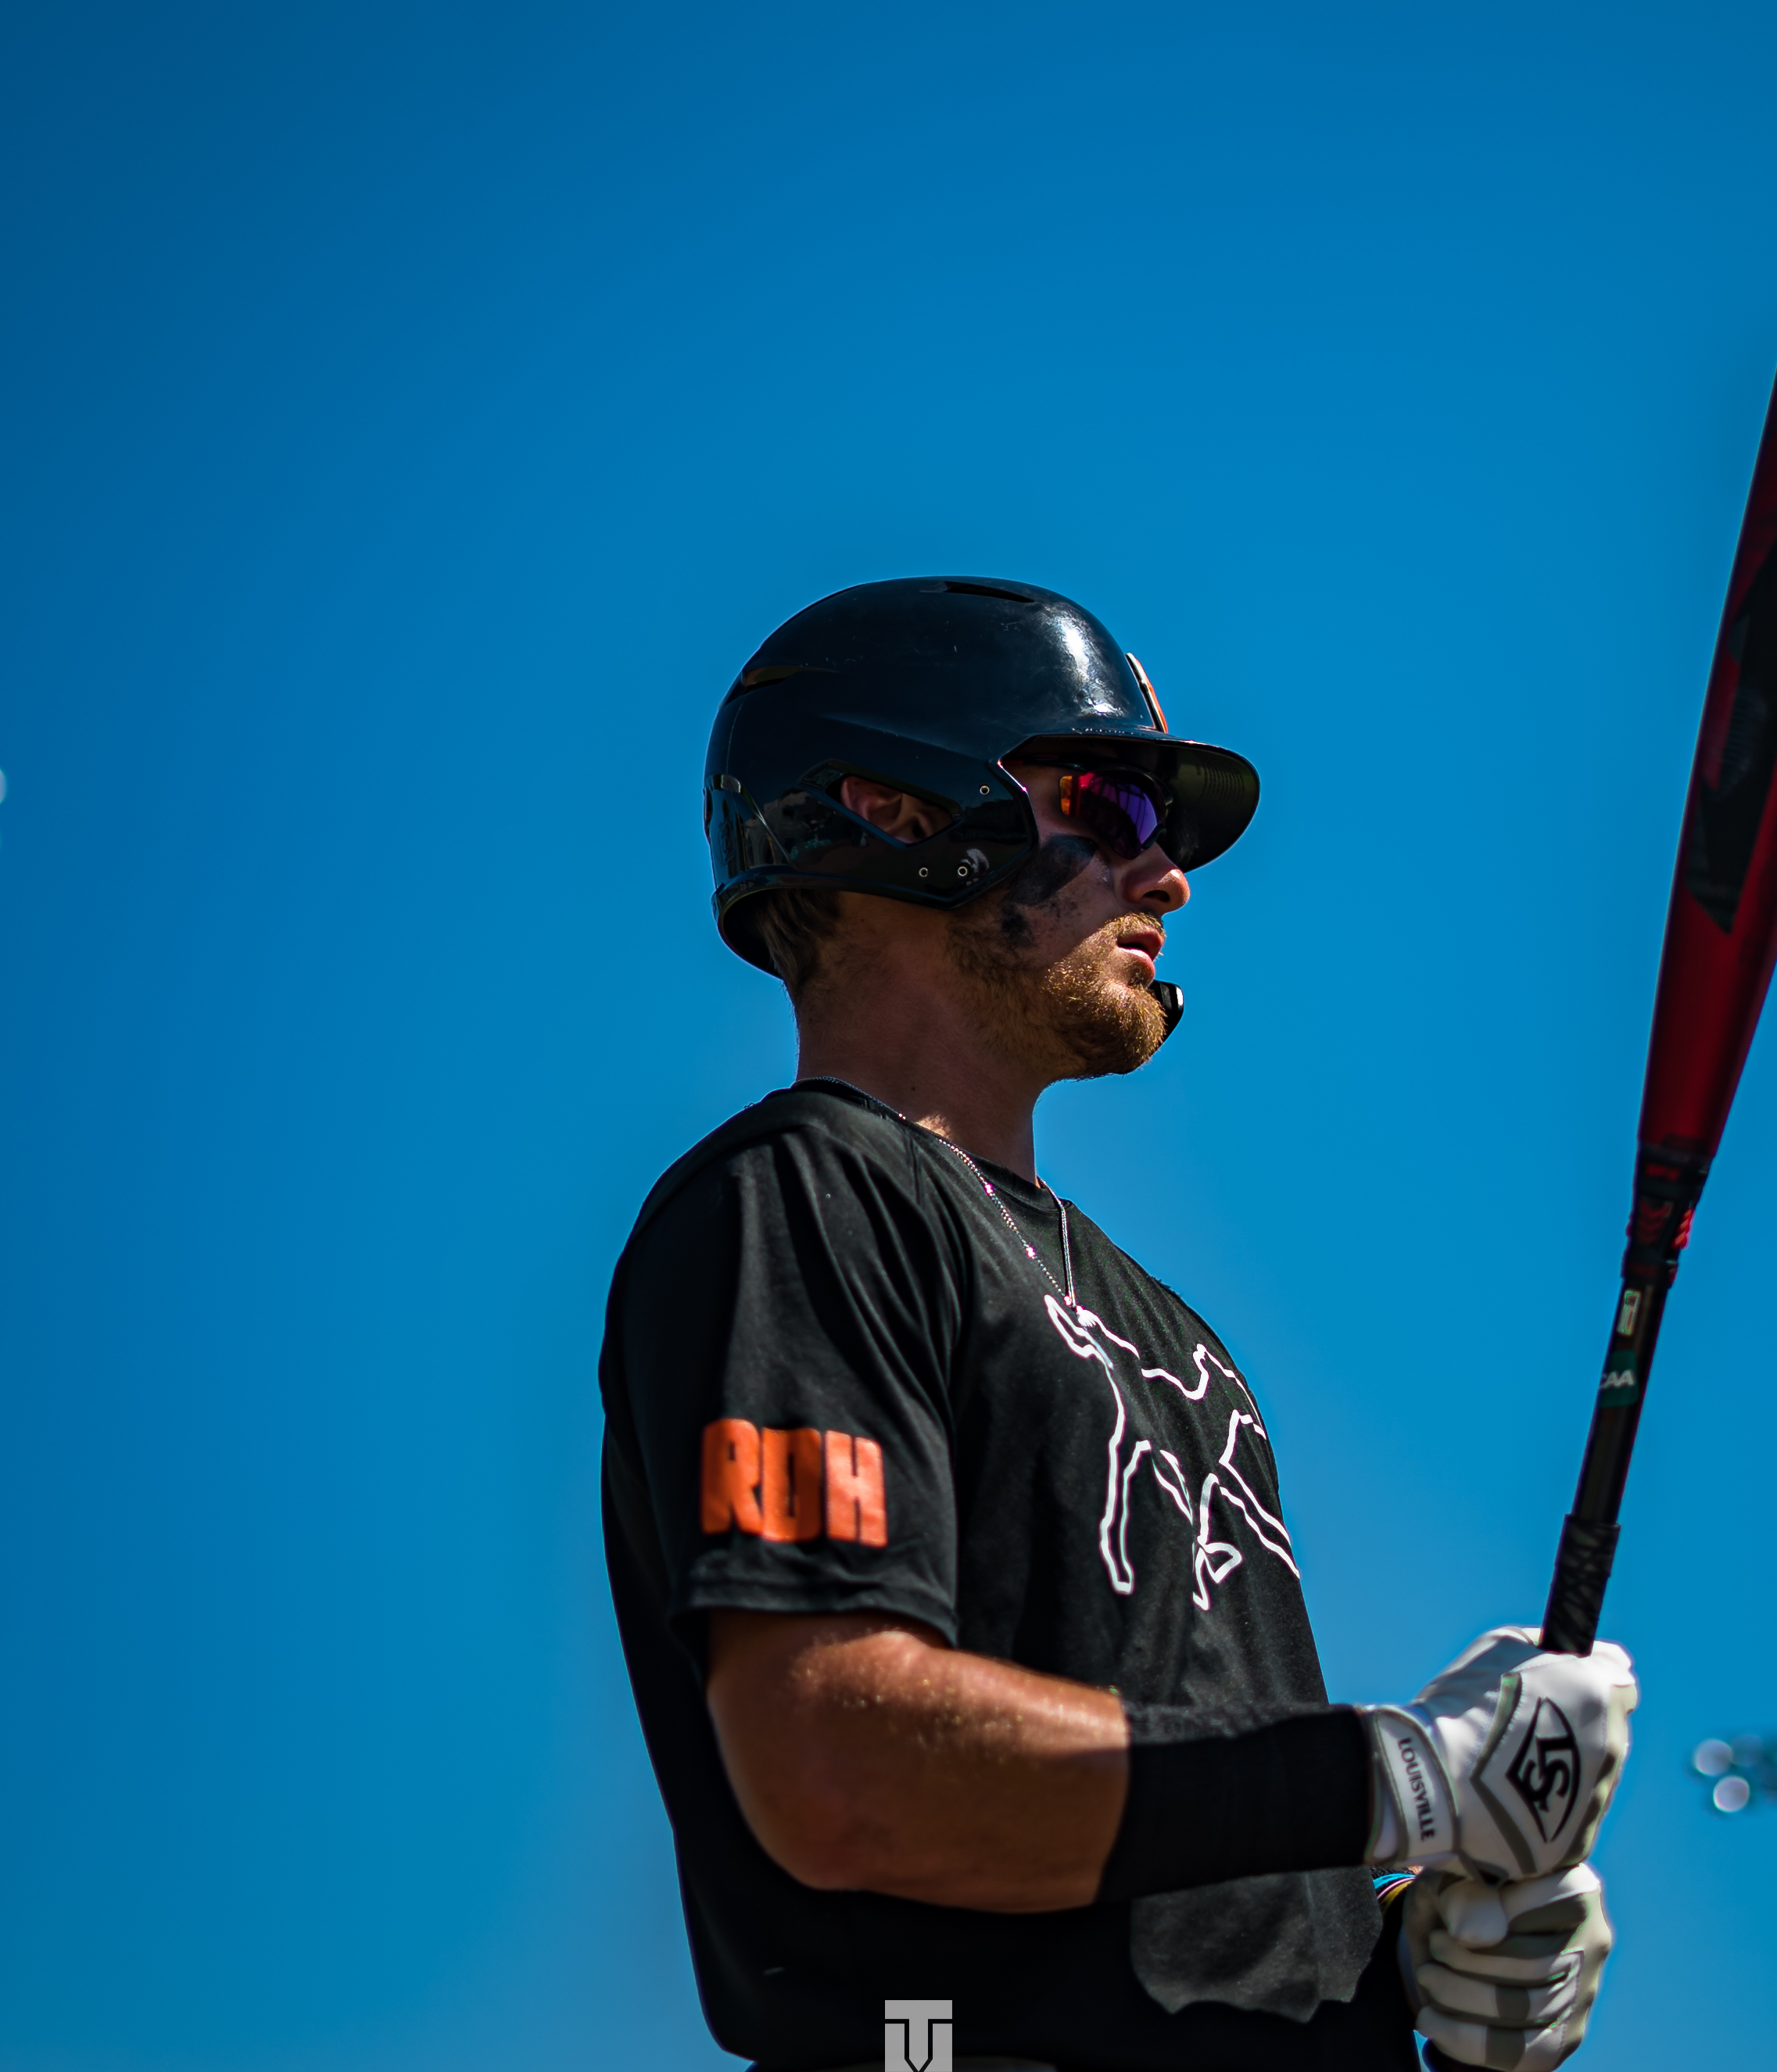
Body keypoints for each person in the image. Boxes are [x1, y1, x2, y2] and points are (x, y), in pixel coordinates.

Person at [600, 578, 1636, 2072]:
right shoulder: (804, 1198)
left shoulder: (1178, 1334)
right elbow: (845, 1769)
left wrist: (1417, 1944)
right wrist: (1401, 1774)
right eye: (1114, 808)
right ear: (895, 810)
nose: (1171, 881)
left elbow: (1185, 1875)